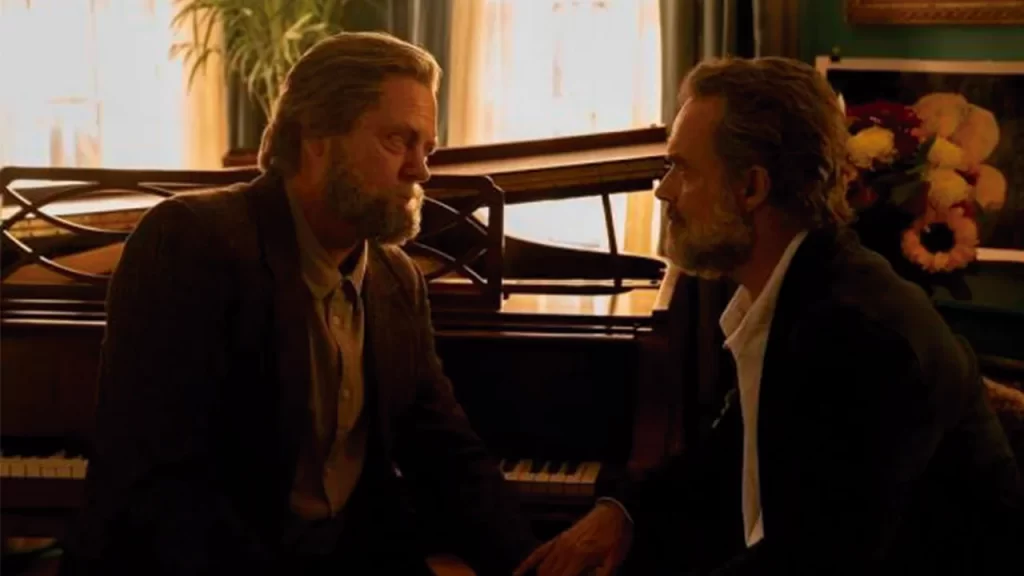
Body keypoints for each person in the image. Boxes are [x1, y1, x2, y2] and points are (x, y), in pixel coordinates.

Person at [515, 57, 1023, 576]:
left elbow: (811, 561)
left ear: (751, 188)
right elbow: (729, 455)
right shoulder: (806, 287)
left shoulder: (859, 334)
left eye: (683, 169)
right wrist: (623, 513)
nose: (663, 190)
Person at [61, 32, 537, 576]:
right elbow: (165, 486)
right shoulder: (191, 241)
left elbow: (445, 452)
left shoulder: (396, 279)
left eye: (426, 149)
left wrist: (533, 563)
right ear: (316, 137)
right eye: (396, 140)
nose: (420, 170)